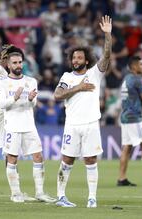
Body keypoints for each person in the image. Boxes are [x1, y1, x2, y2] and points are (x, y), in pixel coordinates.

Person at [53, 15, 112, 208]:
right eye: (73, 57)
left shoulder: (94, 73)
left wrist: (108, 35)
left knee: (90, 159)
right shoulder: (67, 77)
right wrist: (78, 87)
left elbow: (107, 57)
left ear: (86, 60)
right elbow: (57, 95)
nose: (75, 60)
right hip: (72, 125)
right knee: (67, 160)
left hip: (90, 124)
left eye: (79, 57)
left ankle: (92, 198)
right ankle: (61, 196)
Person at [0, 47, 56, 203]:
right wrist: (14, 98)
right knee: (12, 159)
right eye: (14, 63)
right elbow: (2, 105)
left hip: (29, 125)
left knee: (38, 156)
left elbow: (33, 103)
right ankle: (15, 194)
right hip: (12, 126)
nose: (18, 65)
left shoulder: (31, 81)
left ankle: (40, 192)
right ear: (8, 65)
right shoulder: (1, 83)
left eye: (20, 62)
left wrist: (30, 99)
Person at [0, 45, 34, 201]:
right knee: (10, 154)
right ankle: (15, 193)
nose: (15, 63)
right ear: (6, 59)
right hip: (0, 117)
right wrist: (7, 99)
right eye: (12, 60)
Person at [117, 56, 142, 187]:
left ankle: (121, 178)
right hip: (135, 118)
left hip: (125, 117)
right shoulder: (137, 80)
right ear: (133, 66)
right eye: (140, 64)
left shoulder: (127, 79)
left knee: (127, 148)